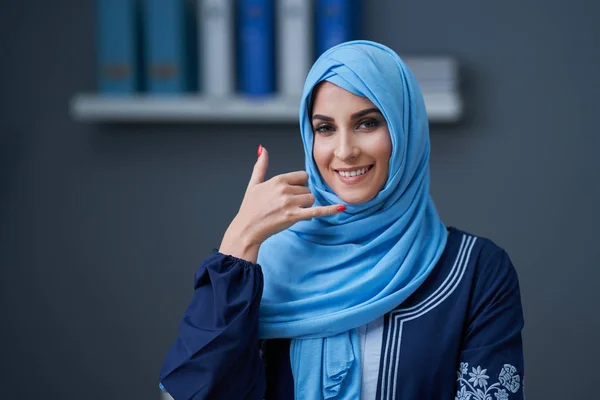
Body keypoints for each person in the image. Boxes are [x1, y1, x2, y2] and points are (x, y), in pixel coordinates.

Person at [158, 41, 525, 400]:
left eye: (367, 123)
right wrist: (239, 241)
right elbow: (192, 392)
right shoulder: (262, 267)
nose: (345, 151)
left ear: (405, 128)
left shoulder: (474, 272)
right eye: (325, 128)